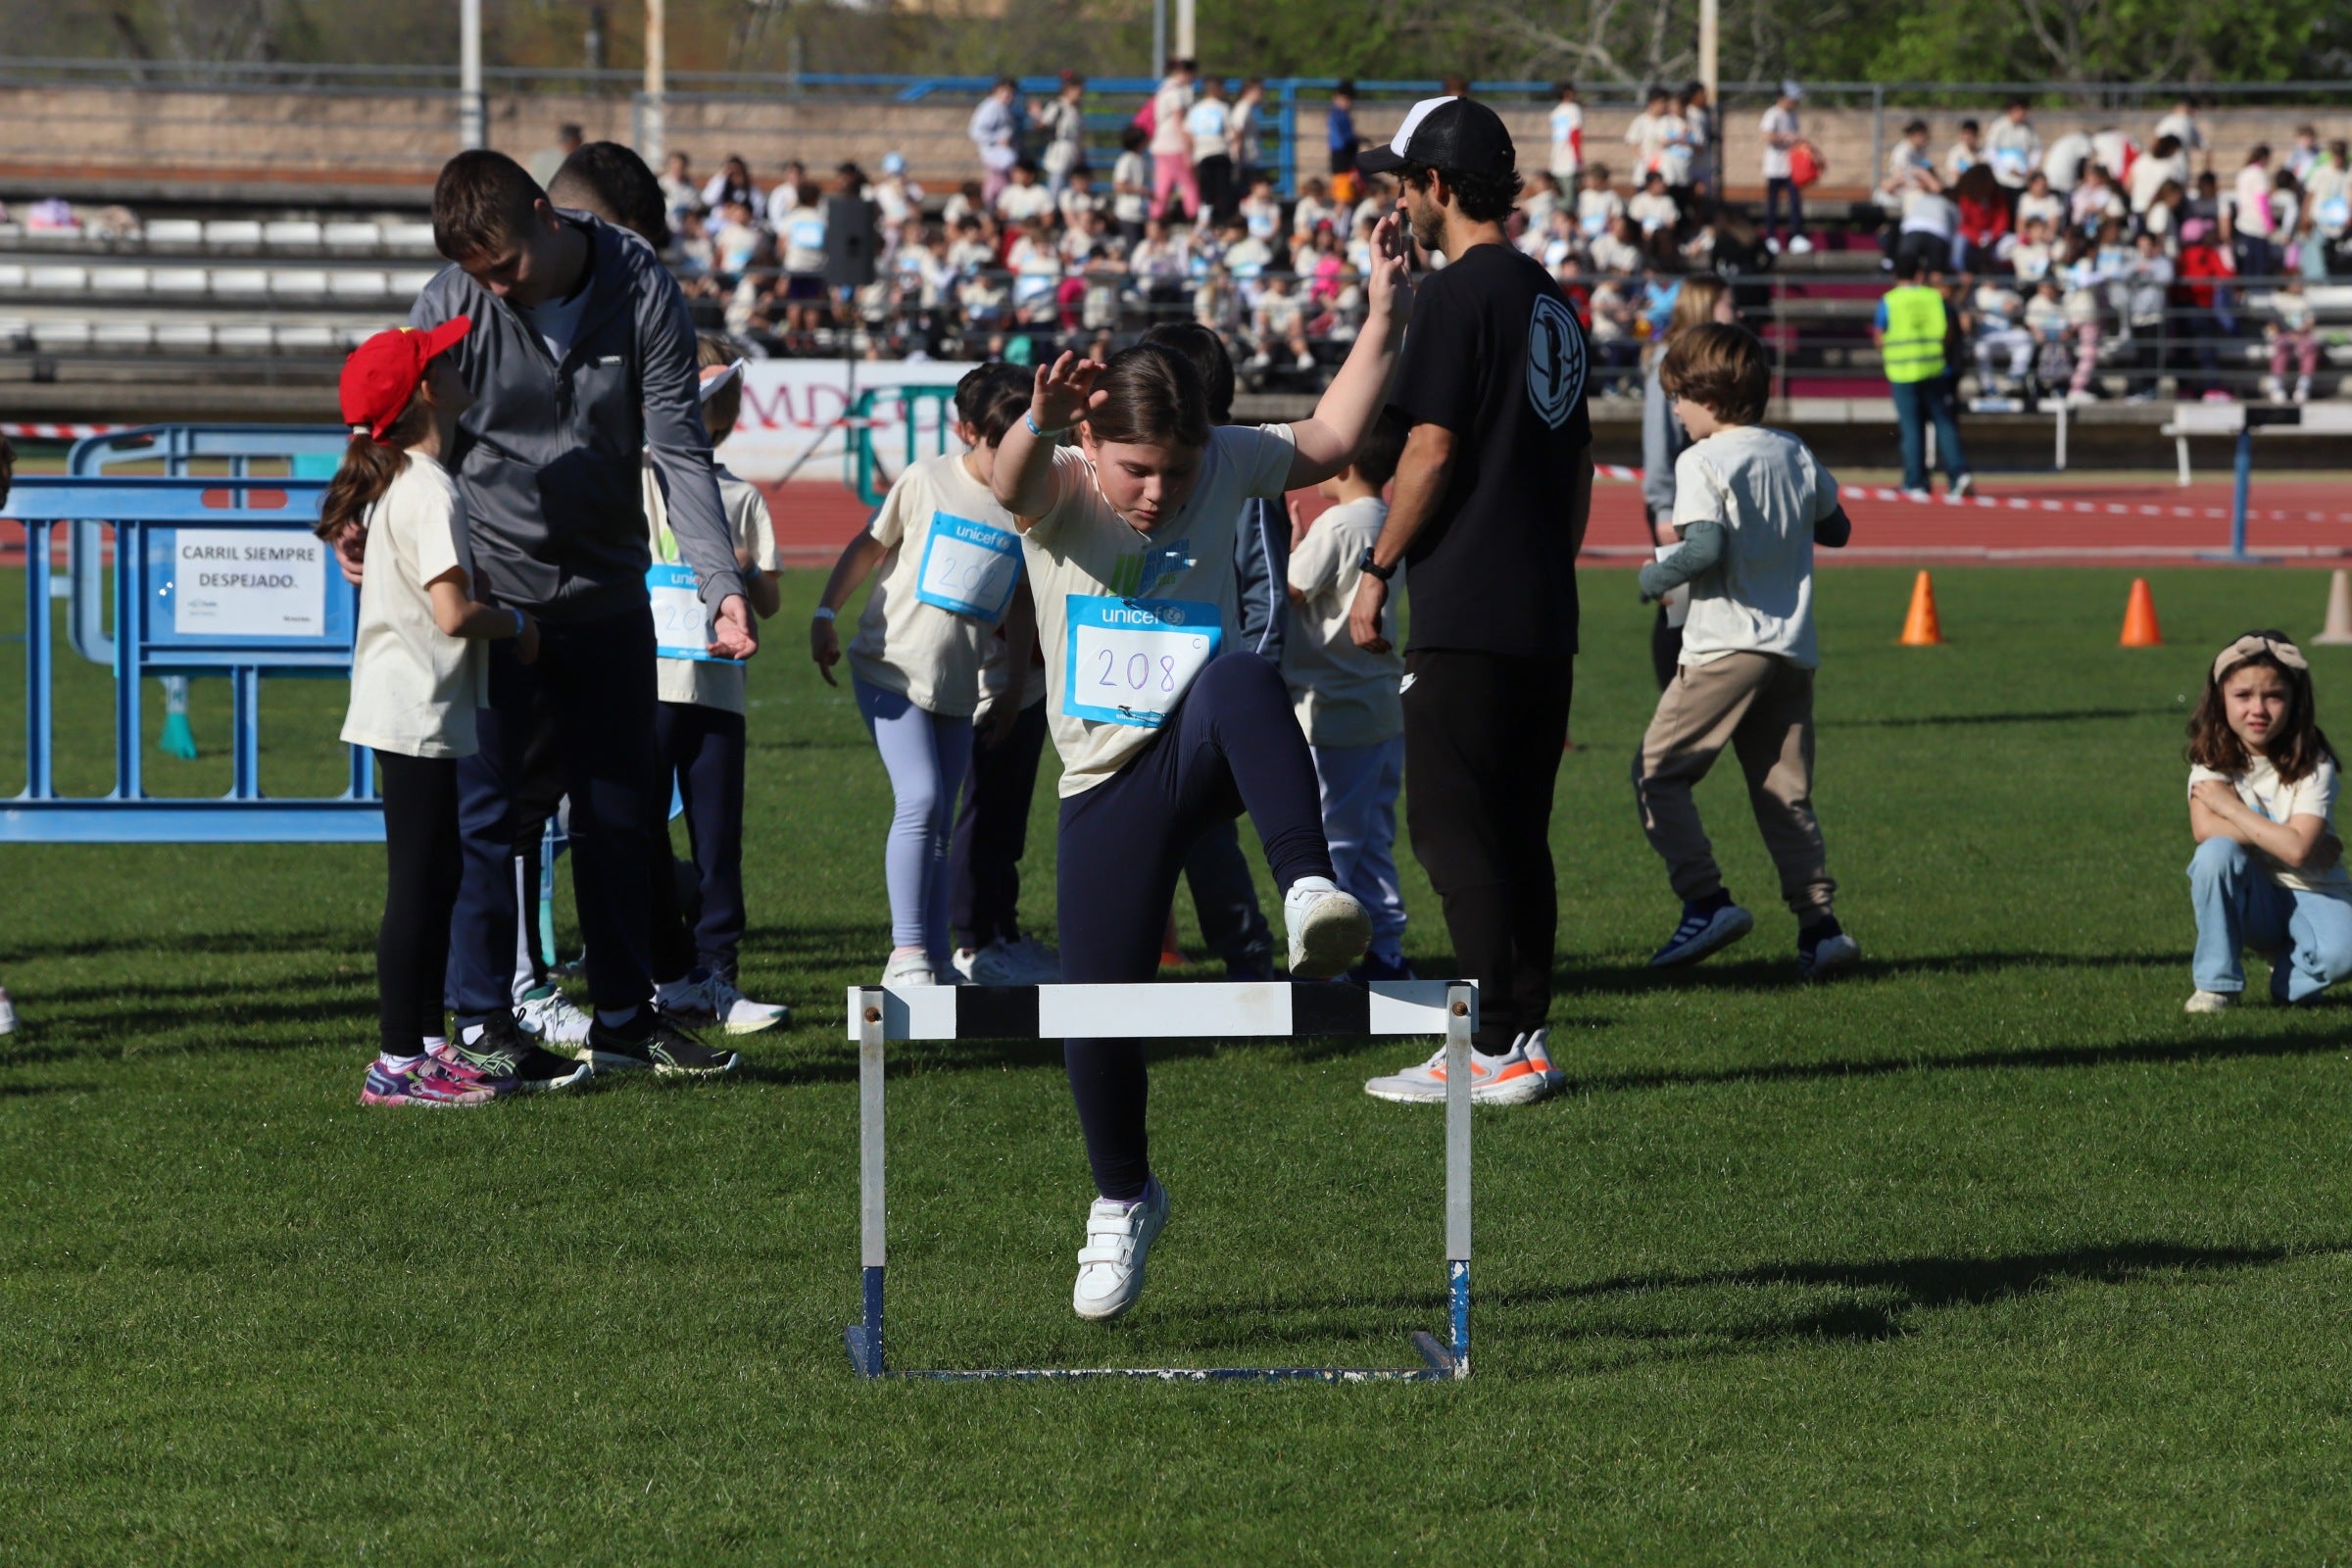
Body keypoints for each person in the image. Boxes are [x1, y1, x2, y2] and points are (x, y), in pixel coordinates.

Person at [986, 202, 1414, 1320]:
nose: (1158, 492)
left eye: (1174, 470)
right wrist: (1035, 421)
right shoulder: (1062, 492)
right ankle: (1123, 1196)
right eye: (1136, 468)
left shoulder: (1223, 462)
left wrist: (1380, 312)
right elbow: (1009, 485)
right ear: (1094, 446)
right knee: (1095, 1010)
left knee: (1234, 673)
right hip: (1106, 780)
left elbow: (1326, 438)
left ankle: (1309, 885)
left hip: (1220, 747)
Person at [347, 151, 752, 1081]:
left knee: (622, 812)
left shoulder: (641, 282)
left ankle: (624, 1018)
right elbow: (388, 425)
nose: (494, 288)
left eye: (507, 267)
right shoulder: (451, 297)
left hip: (610, 586)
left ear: (545, 215)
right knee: (487, 821)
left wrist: (718, 582)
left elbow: (679, 448)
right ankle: (486, 1023)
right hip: (494, 593)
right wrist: (357, 522)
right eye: (479, 274)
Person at [1346, 95, 1591, 1106]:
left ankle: (1491, 1041)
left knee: (1453, 830)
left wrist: (1376, 569)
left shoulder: (1458, 298)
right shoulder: (1550, 296)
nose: (1398, 198)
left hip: (1469, 606)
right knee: (1517, 827)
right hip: (1541, 602)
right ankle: (1522, 1035)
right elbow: (1575, 465)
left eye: (1404, 180)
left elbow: (1430, 446)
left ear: (1438, 186)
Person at [323, 322, 587, 1105]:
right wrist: (519, 625)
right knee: (418, 882)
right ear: (425, 392)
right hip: (414, 706)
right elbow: (451, 613)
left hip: (417, 703)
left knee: (437, 876)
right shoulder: (428, 485)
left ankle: (428, 1044)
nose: (458, 359)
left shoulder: (406, 477)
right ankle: (398, 1061)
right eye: (442, 357)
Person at [1632, 322, 1859, 981]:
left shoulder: (1701, 461)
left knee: (1657, 774)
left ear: (1706, 395)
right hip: (1791, 648)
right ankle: (1820, 928)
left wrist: (1655, 578)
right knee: (1783, 792)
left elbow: (1704, 549)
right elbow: (1838, 528)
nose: (1674, 410)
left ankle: (1704, 900)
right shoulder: (1791, 450)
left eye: (1678, 396)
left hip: (1726, 644)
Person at [812, 365, 1035, 986]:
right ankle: (907, 953)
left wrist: (1014, 683)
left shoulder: (1027, 504)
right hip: (891, 669)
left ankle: (935, 959)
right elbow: (870, 544)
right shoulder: (926, 479)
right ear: (969, 431)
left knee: (939, 821)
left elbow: (1020, 601)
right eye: (1000, 441)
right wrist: (825, 611)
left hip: (958, 687)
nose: (1013, 455)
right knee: (922, 799)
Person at [635, 342, 790, 1031]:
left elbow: (772, 599)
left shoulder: (742, 495)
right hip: (646, 685)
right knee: (635, 830)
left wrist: (747, 570)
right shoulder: (635, 477)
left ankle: (719, 974)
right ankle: (652, 969)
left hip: (718, 691)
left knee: (718, 836)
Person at [1283, 410, 1413, 982]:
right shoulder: (1390, 517)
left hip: (1332, 707)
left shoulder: (1338, 525)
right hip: (1381, 703)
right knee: (1373, 838)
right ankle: (1386, 951)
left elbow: (1288, 592)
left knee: (1331, 841)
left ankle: (1328, 961)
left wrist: (1286, 550)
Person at [2184, 632, 2352, 1013]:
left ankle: (2289, 976)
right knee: (2215, 855)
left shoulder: (2314, 761)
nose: (2258, 708)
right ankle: (2216, 985)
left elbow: (2296, 852)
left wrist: (2234, 809)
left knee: (2343, 956)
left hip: (2313, 887)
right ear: (2220, 698)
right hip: (2253, 897)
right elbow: (2205, 831)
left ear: (2295, 703)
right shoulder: (2210, 758)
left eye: (2274, 696)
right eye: (2243, 696)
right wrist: (2290, 836)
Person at [1642, 275, 1737, 690]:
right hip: (1677, 506)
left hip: (1703, 501)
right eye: (1728, 305)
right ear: (1705, 307)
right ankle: (1674, 695)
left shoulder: (1711, 362)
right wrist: (1664, 509)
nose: (1737, 313)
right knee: (1675, 611)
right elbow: (1658, 440)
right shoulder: (1671, 362)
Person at [1872, 252, 1973, 500]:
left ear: (1896, 274)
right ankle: (1958, 474)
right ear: (1920, 273)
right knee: (1944, 424)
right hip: (1934, 369)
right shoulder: (1933, 297)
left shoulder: (1890, 301)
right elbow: (1948, 333)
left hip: (1903, 372)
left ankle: (1915, 481)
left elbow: (1878, 337)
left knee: (1911, 428)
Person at [1150, 58, 1200, 221]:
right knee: (1189, 184)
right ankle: (1193, 216)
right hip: (1174, 145)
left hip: (1160, 145)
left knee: (1163, 186)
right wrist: (1188, 149)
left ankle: (1156, 218)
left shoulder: (1164, 89)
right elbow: (1179, 123)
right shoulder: (1176, 93)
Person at [1759, 81, 1807, 254]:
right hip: (1774, 167)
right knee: (1773, 204)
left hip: (1790, 168)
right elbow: (1766, 135)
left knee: (1795, 202)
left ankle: (1796, 235)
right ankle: (1771, 236)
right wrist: (1786, 137)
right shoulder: (1772, 113)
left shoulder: (1793, 115)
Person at [1188, 74, 1236, 223]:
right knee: (1223, 190)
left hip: (1201, 154)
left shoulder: (1195, 109)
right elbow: (1231, 132)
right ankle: (1223, 221)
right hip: (1220, 151)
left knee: (1206, 191)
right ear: (1216, 89)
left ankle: (1205, 220)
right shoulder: (1223, 108)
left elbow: (1188, 133)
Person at [969, 76, 1023, 209]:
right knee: (996, 190)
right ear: (995, 91)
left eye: (1011, 92)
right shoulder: (991, 107)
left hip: (1003, 158)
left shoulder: (1003, 107)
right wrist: (996, 139)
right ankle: (992, 213)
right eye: (1004, 91)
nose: (1008, 95)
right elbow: (975, 131)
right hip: (995, 157)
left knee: (1001, 188)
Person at [1038, 73, 1088, 197]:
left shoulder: (1075, 110)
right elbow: (1043, 123)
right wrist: (1037, 114)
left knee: (1072, 187)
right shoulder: (1057, 106)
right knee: (1056, 185)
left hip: (1073, 150)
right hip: (1059, 150)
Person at [1548, 81, 1583, 185]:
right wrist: (1578, 159)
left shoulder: (1555, 112)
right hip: (1570, 160)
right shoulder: (1573, 109)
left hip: (1556, 158)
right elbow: (1574, 134)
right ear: (1567, 93)